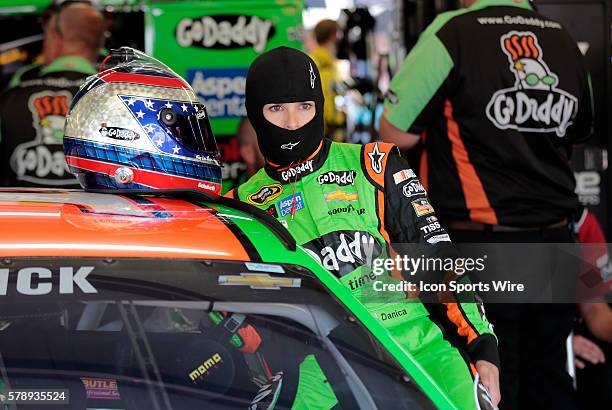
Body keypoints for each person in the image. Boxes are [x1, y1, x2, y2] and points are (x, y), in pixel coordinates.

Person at [229, 46, 501, 408]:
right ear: (255, 114)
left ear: (319, 106)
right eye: (277, 109)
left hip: (417, 350)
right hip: (319, 366)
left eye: (304, 106)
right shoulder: (239, 205)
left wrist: (482, 345)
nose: (293, 122)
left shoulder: (375, 165)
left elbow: (438, 257)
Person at [379, 0, 593, 409]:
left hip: (481, 241)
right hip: (557, 239)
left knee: (488, 384)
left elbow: (394, 130)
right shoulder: (560, 35)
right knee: (550, 378)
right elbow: (581, 129)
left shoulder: (453, 31)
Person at [0, 1, 106, 187]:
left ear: (57, 38)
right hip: (94, 213)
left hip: (24, 214)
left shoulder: (11, 96)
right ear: (98, 45)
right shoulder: (114, 98)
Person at [309, 19, 344, 140]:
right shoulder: (324, 62)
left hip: (325, 127)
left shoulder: (319, 59)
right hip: (326, 129)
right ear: (334, 35)